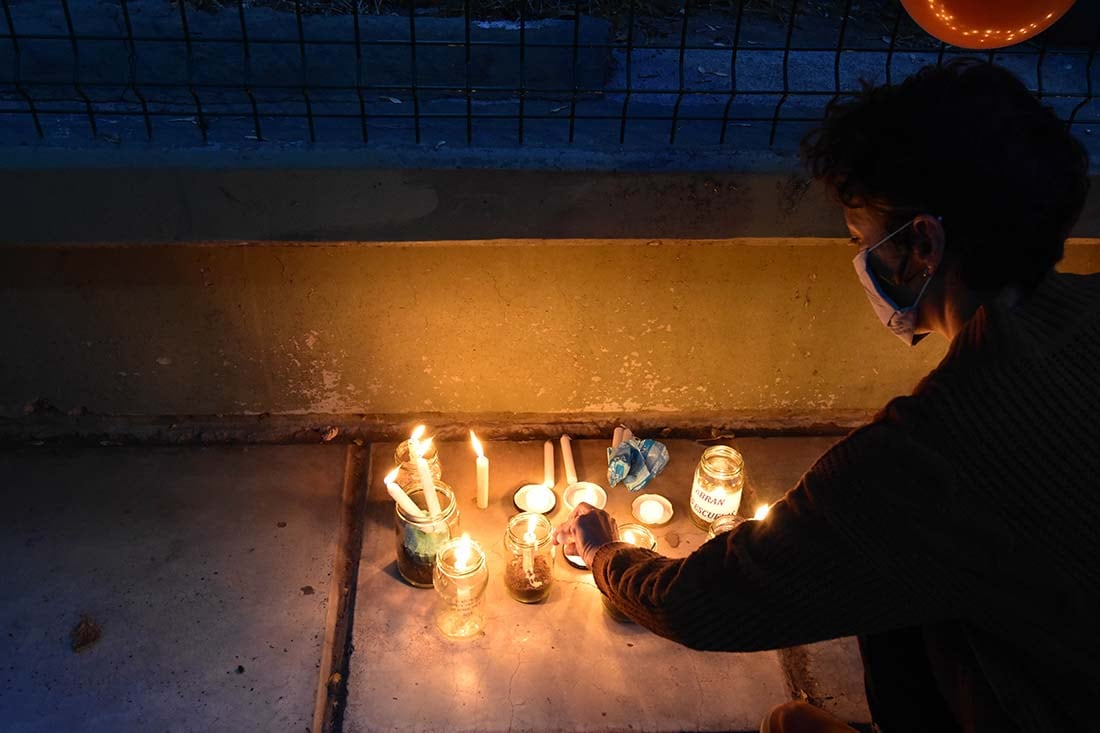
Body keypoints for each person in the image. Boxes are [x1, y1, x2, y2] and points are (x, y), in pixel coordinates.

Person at [553, 59, 1098, 733]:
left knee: (791, 720)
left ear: (921, 244)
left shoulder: (937, 451)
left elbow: (702, 603)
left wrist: (606, 554)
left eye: (859, 239)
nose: (858, 260)